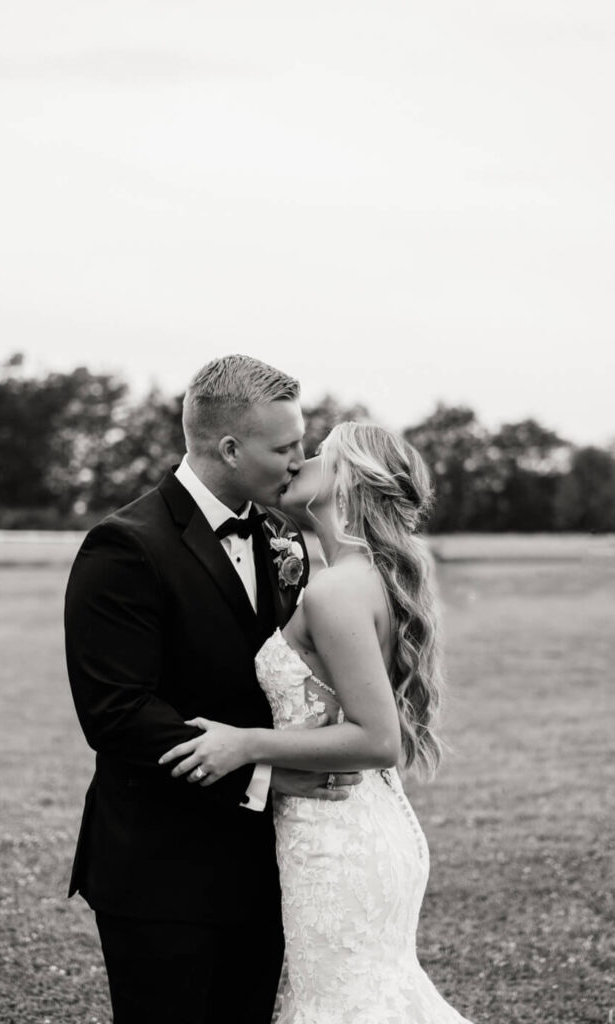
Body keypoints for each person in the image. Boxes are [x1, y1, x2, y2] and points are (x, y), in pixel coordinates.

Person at [64, 355, 359, 1024]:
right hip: (162, 872)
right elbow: (118, 713)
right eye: (285, 447)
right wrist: (267, 771)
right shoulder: (124, 547)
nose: (299, 460)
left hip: (263, 868)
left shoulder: (280, 536)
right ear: (229, 446)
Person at [160, 421, 475, 1023]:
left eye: (319, 453)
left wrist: (246, 744)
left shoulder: (335, 590)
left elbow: (378, 739)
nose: (299, 460)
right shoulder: (366, 577)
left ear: (350, 480)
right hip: (362, 818)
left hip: (339, 838)